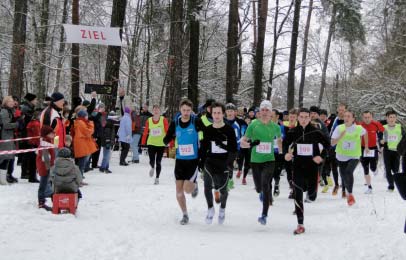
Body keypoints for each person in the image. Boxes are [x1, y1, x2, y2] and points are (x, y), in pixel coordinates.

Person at [284, 108, 331, 234]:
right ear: (298, 118)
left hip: (312, 166)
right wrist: (286, 154)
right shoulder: (293, 131)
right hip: (298, 165)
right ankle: (300, 224)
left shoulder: (316, 131)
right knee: (297, 192)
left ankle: (312, 192)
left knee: (311, 193)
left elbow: (328, 145)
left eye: (306, 117)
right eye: (301, 117)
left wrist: (321, 157)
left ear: (310, 118)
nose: (304, 119)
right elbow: (285, 144)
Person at [163, 99, 205, 225]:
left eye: (188, 110)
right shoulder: (175, 122)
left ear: (191, 110)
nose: (186, 112)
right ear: (180, 110)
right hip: (180, 160)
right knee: (179, 192)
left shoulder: (195, 121)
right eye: (184, 110)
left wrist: (203, 147)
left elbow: (204, 133)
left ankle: (194, 184)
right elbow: (170, 134)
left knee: (187, 189)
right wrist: (166, 140)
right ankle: (185, 214)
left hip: (193, 160)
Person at [241, 100, 282, 225]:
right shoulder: (253, 125)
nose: (264, 112)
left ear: (271, 113)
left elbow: (279, 140)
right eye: (262, 110)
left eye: (267, 110)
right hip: (255, 161)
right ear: (259, 112)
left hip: (269, 160)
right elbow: (243, 141)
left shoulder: (276, 127)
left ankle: (264, 215)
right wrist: (246, 144)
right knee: (259, 188)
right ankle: (261, 193)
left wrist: (281, 154)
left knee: (265, 184)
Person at [199, 102, 237, 224]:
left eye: (219, 113)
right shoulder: (208, 130)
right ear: (212, 113)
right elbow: (203, 148)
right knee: (207, 186)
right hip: (210, 161)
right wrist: (201, 161)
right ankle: (210, 208)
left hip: (224, 162)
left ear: (223, 114)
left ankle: (222, 209)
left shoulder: (229, 130)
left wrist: (229, 164)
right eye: (214, 113)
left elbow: (233, 149)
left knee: (223, 190)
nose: (216, 115)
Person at [331, 110, 368, 206]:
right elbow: (332, 143)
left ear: (353, 119)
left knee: (349, 172)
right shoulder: (339, 128)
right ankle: (347, 191)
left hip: (354, 155)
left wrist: (366, 146)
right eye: (345, 116)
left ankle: (350, 194)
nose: (346, 118)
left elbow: (365, 133)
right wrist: (340, 137)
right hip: (341, 156)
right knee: (343, 176)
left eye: (348, 116)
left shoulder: (358, 128)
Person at [358, 111, 385, 193]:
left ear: (371, 117)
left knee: (372, 168)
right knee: (365, 168)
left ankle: (375, 169)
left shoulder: (376, 124)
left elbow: (382, 133)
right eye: (365, 117)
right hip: (362, 149)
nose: (367, 119)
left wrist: (382, 145)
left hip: (373, 148)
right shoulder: (359, 125)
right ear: (362, 118)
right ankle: (369, 187)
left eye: (368, 117)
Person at [141, 105, 169, 184]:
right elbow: (145, 132)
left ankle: (157, 178)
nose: (156, 111)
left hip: (161, 144)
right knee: (151, 160)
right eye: (154, 110)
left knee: (158, 162)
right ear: (153, 111)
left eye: (157, 110)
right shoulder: (149, 120)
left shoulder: (164, 120)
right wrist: (143, 142)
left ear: (160, 111)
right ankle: (152, 167)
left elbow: (167, 131)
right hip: (151, 143)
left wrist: (170, 141)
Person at [381, 111, 405, 191]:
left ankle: (397, 184)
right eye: (390, 117)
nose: (392, 119)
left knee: (395, 170)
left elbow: (404, 139)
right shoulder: (384, 127)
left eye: (394, 117)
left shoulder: (399, 127)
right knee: (388, 169)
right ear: (387, 118)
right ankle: (391, 185)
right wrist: (381, 143)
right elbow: (380, 138)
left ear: (396, 118)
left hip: (397, 151)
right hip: (387, 150)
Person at [224, 103, 247, 190]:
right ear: (225, 112)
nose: (229, 113)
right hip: (223, 147)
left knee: (229, 164)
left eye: (231, 111)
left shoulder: (237, 124)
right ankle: (227, 180)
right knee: (224, 164)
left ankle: (229, 180)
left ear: (235, 112)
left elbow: (240, 137)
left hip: (234, 148)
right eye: (228, 111)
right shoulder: (222, 121)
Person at [326, 104, 347, 197]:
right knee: (334, 166)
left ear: (345, 110)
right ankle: (336, 185)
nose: (341, 111)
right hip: (333, 146)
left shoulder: (348, 119)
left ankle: (344, 189)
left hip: (344, 147)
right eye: (340, 110)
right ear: (337, 110)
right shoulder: (333, 119)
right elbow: (328, 130)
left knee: (342, 167)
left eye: (343, 110)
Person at [73, 110, 98, 179]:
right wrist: (91, 124)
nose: (87, 117)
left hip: (82, 144)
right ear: (83, 116)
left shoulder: (80, 122)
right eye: (86, 115)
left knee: (82, 163)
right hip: (82, 145)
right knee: (81, 163)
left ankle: (79, 178)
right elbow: (88, 132)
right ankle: (79, 179)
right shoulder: (81, 123)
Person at [36, 126, 56, 210]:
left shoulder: (48, 141)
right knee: (43, 185)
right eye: (52, 133)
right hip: (45, 168)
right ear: (47, 134)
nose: (54, 134)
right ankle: (41, 202)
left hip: (47, 167)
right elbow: (45, 158)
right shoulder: (45, 143)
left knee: (46, 183)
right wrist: (49, 168)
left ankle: (46, 199)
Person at [20, 93, 39, 181]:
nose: (36, 101)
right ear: (31, 100)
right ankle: (26, 173)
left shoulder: (29, 108)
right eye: (35, 99)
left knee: (28, 154)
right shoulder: (26, 109)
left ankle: (28, 173)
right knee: (28, 154)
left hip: (29, 133)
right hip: (27, 134)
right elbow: (26, 122)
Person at [0, 96, 19, 184]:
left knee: (7, 158)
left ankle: (3, 178)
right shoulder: (4, 111)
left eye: (13, 101)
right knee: (4, 158)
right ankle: (2, 179)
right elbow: (6, 125)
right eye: (10, 101)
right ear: (6, 102)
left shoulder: (10, 111)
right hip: (5, 137)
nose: (13, 103)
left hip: (9, 137)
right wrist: (17, 124)